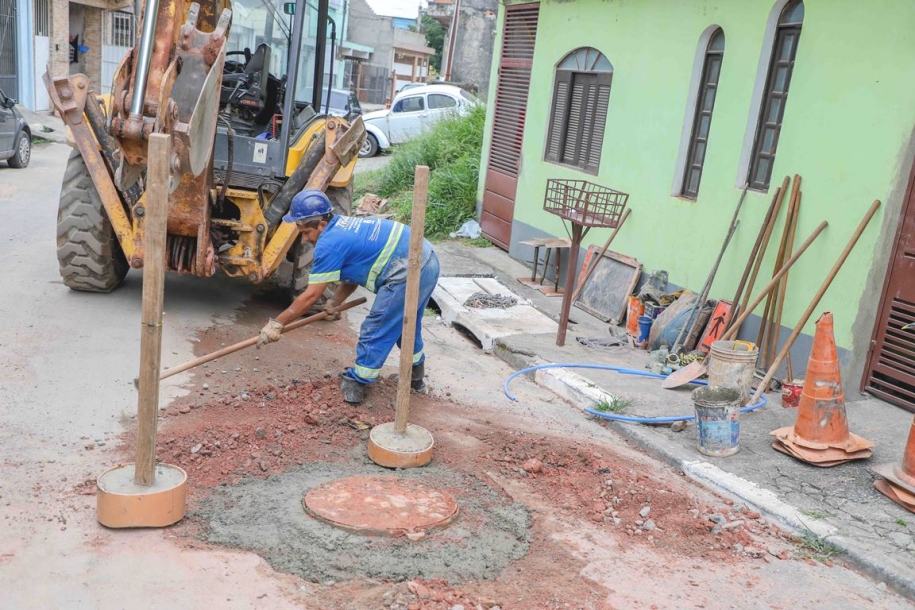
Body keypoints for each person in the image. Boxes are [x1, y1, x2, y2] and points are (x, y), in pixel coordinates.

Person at [257, 189, 440, 405]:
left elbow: (311, 296)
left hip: (406, 270)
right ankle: (416, 380)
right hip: (427, 260)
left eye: (306, 232)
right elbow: (353, 274)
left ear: (321, 225)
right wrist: (335, 302)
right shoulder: (342, 225)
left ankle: (357, 383)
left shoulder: (328, 243)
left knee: (376, 328)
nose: (305, 238)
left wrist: (277, 324)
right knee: (405, 326)